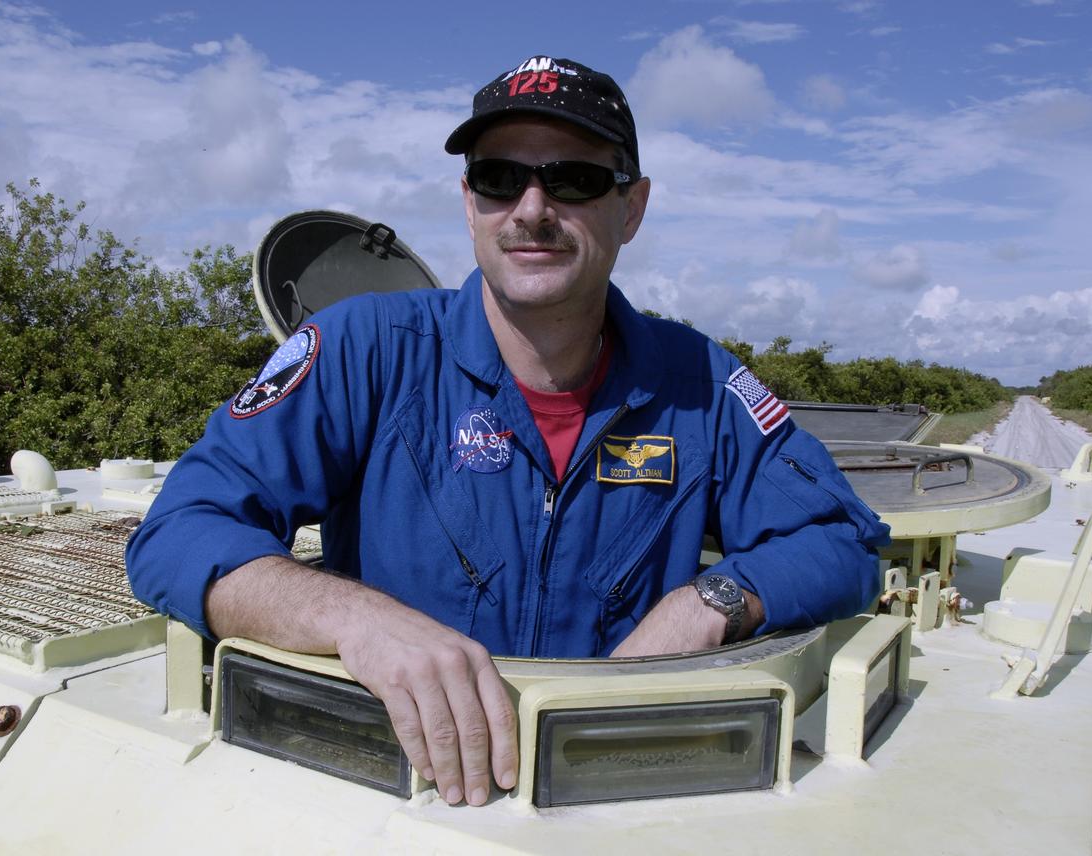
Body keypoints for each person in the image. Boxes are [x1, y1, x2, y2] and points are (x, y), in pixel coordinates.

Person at [126, 54, 890, 808]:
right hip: (406, 801)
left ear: (632, 207)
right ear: (469, 202)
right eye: (500, 178)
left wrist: (711, 600)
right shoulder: (363, 350)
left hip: (615, 799)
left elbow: (844, 541)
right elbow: (180, 532)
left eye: (575, 179)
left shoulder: (704, 387)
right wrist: (355, 618)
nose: (531, 208)